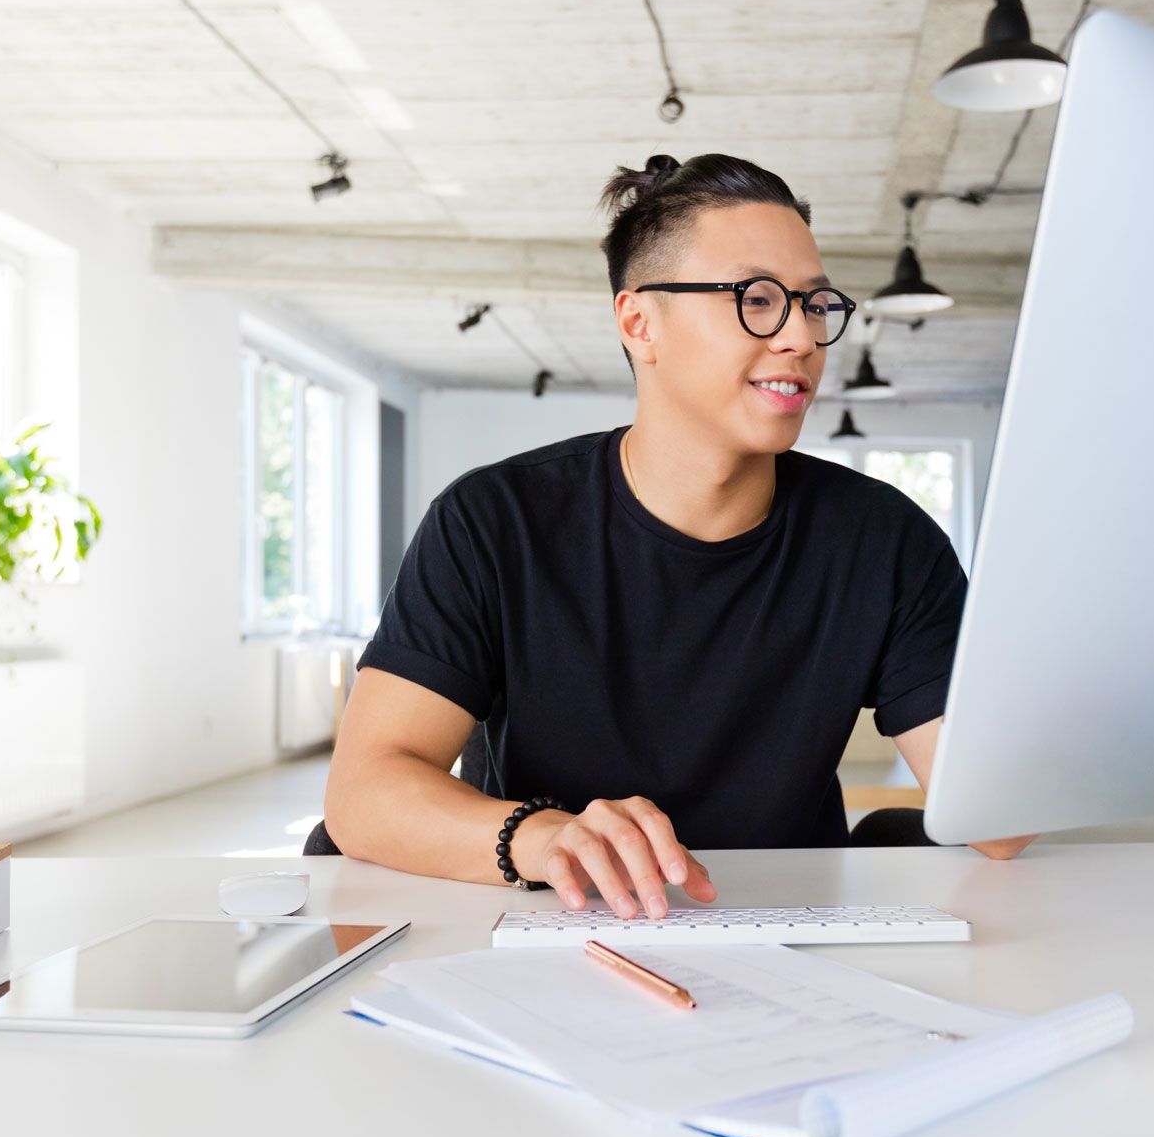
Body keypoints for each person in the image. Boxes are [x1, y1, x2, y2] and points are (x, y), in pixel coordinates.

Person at [322, 152, 1031, 920]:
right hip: (555, 922)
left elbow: (996, 825)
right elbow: (364, 793)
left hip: (790, 931)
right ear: (639, 322)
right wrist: (541, 838)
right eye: (757, 299)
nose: (801, 336)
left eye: (815, 302)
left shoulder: (884, 539)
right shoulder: (493, 521)